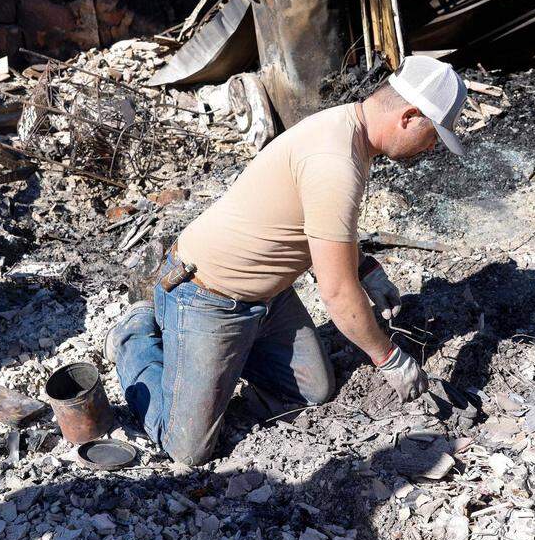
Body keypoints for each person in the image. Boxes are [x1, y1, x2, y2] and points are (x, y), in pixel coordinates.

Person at [104, 56, 467, 466]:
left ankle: (227, 353)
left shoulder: (349, 128)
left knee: (313, 390)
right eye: (433, 134)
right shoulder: (335, 161)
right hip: (207, 295)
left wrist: (366, 269)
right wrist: (389, 358)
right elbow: (336, 292)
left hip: (266, 297)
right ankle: (135, 331)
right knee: (187, 449)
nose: (431, 146)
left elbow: (324, 229)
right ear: (409, 116)